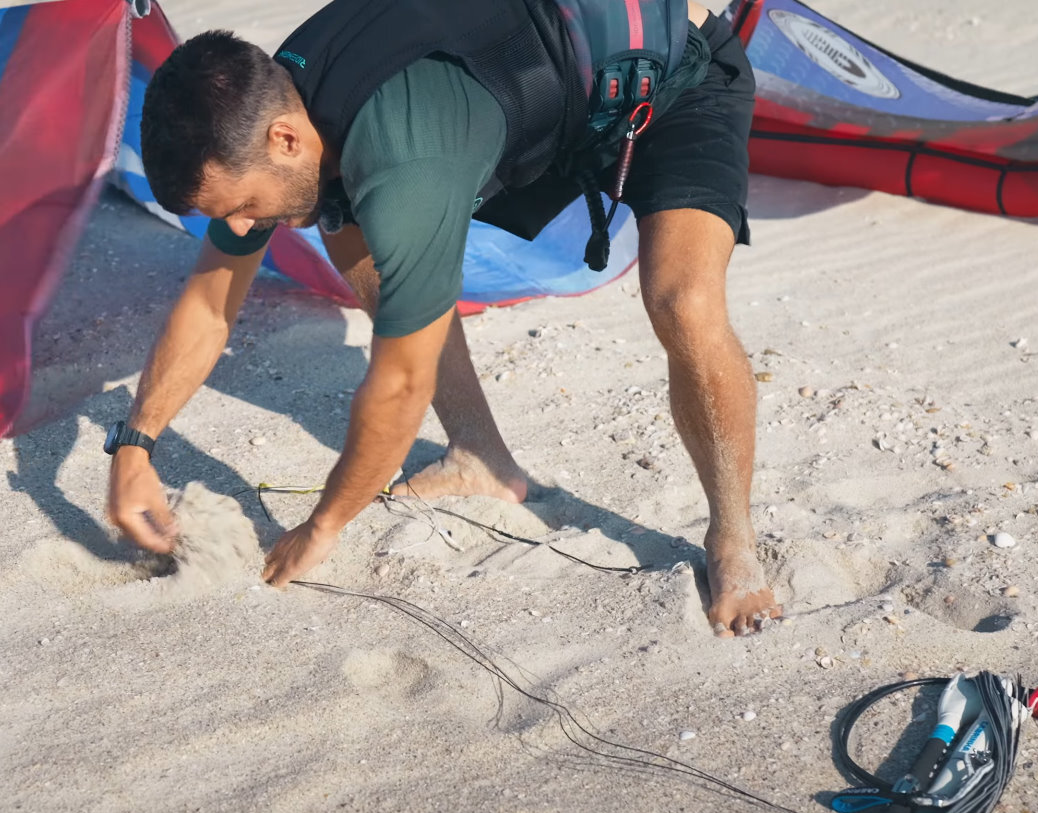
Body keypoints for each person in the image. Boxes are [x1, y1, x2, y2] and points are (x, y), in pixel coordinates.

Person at [107, 0, 780, 637]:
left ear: (284, 137)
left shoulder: (406, 165)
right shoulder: (271, 102)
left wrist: (324, 523)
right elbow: (209, 297)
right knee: (341, 219)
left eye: (242, 205)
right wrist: (136, 444)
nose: (243, 227)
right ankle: (480, 455)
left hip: (674, 84)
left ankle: (732, 540)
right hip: (546, 106)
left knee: (682, 300)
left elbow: (398, 388)